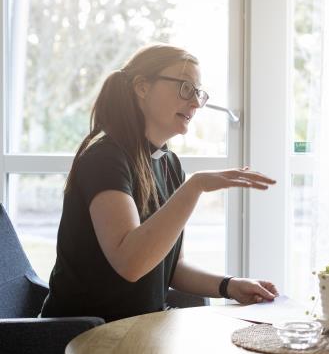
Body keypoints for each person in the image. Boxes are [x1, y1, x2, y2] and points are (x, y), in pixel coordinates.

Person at [41, 44, 278, 322]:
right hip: (79, 337)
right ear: (142, 87)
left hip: (135, 331)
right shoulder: (105, 158)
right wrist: (195, 186)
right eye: (185, 88)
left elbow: (172, 266)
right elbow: (131, 263)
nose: (195, 103)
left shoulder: (168, 162)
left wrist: (230, 285)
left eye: (198, 93)